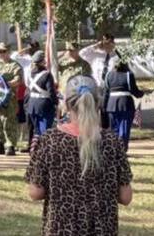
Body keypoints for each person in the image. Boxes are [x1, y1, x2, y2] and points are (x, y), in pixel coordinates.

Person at [25, 75, 133, 236]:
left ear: (67, 104)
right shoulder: (112, 141)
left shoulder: (49, 140)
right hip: (103, 229)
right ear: (98, 103)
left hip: (60, 228)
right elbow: (125, 196)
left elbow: (35, 192)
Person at [79, 33, 120, 128]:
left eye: (109, 42)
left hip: (109, 88)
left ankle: (106, 131)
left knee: (106, 111)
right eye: (105, 42)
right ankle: (93, 132)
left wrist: (115, 48)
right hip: (96, 87)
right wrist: (96, 45)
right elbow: (82, 53)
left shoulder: (116, 56)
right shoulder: (95, 55)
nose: (106, 44)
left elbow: (125, 61)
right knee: (93, 111)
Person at [104, 61, 144, 151]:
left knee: (114, 129)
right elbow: (134, 91)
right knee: (124, 129)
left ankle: (114, 149)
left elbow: (106, 93)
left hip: (111, 105)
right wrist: (141, 93)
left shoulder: (108, 75)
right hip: (125, 104)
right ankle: (122, 150)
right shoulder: (128, 75)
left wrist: (104, 107)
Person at [0, 43, 23, 156]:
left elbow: (18, 81)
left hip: (9, 99)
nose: (1, 54)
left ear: (9, 52)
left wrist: (5, 84)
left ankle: (10, 145)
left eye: (4, 51)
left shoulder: (15, 66)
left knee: (8, 122)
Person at [13, 40, 40, 152]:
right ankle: (29, 144)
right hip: (28, 91)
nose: (31, 49)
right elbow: (14, 56)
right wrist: (24, 50)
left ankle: (38, 143)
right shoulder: (26, 59)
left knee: (37, 119)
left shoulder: (41, 59)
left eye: (33, 47)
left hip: (39, 91)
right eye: (30, 47)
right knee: (28, 118)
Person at [25, 51, 58, 138]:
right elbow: (51, 92)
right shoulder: (47, 75)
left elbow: (28, 90)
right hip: (44, 106)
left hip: (32, 105)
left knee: (36, 131)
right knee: (45, 132)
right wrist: (56, 103)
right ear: (42, 62)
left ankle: (36, 150)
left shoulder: (29, 74)